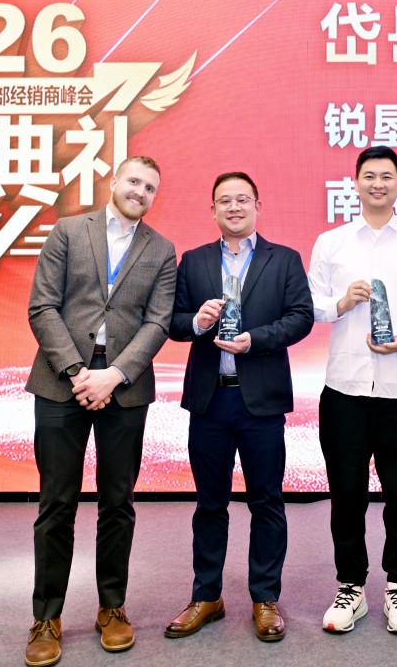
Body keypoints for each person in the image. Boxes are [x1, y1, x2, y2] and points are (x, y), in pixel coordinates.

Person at [23, 155, 177, 667]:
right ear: (114, 182)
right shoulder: (68, 231)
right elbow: (42, 306)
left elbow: (158, 323)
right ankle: (46, 617)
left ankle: (112, 608)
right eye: (134, 181)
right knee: (56, 503)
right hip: (60, 382)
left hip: (124, 388)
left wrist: (114, 375)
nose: (140, 192)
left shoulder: (161, 249)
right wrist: (76, 372)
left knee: (118, 503)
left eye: (150, 187)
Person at [163, 172, 313, 643]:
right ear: (212, 210)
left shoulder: (283, 259)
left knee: (266, 501)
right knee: (210, 503)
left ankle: (265, 598)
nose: (233, 207)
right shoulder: (193, 261)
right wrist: (197, 321)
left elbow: (301, 318)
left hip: (261, 402)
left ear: (257, 206)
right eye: (224, 201)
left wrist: (256, 340)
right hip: (209, 399)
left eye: (242, 199)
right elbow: (172, 322)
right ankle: (206, 595)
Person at [307, 145, 397, 635]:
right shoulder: (332, 242)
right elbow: (310, 303)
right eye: (369, 175)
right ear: (356, 183)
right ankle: (351, 587)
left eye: (387, 176)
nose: (378, 183)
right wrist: (341, 303)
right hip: (343, 389)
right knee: (346, 495)